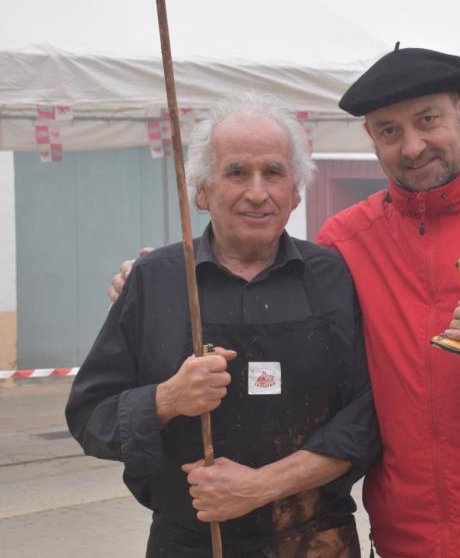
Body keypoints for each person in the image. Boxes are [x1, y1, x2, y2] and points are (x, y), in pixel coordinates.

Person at [110, 47, 460, 558]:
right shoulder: (345, 240)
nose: (412, 146)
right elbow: (269, 283)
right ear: (371, 136)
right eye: (390, 130)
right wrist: (162, 281)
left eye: (427, 120)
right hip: (405, 535)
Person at [70, 93, 378, 557]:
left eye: (273, 172)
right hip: (192, 542)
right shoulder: (156, 281)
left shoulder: (334, 277)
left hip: (316, 540)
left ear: (295, 191)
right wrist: (165, 400)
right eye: (236, 172)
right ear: (201, 190)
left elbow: (368, 415)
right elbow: (89, 416)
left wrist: (261, 486)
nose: (257, 192)